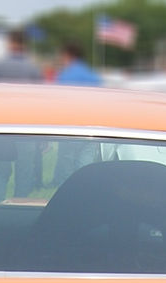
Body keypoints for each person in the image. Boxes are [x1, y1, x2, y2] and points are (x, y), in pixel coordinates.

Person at [0, 29, 44, 202]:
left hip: (1, 125)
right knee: (24, 170)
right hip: (26, 125)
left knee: (0, 169)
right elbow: (41, 101)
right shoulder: (33, 68)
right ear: (25, 44)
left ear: (11, 43)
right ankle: (21, 203)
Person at [51, 42, 103, 188]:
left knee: (67, 161)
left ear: (68, 55)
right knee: (85, 162)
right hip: (91, 126)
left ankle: (68, 191)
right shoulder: (93, 76)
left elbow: (59, 103)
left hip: (71, 125)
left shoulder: (65, 76)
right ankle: (83, 189)